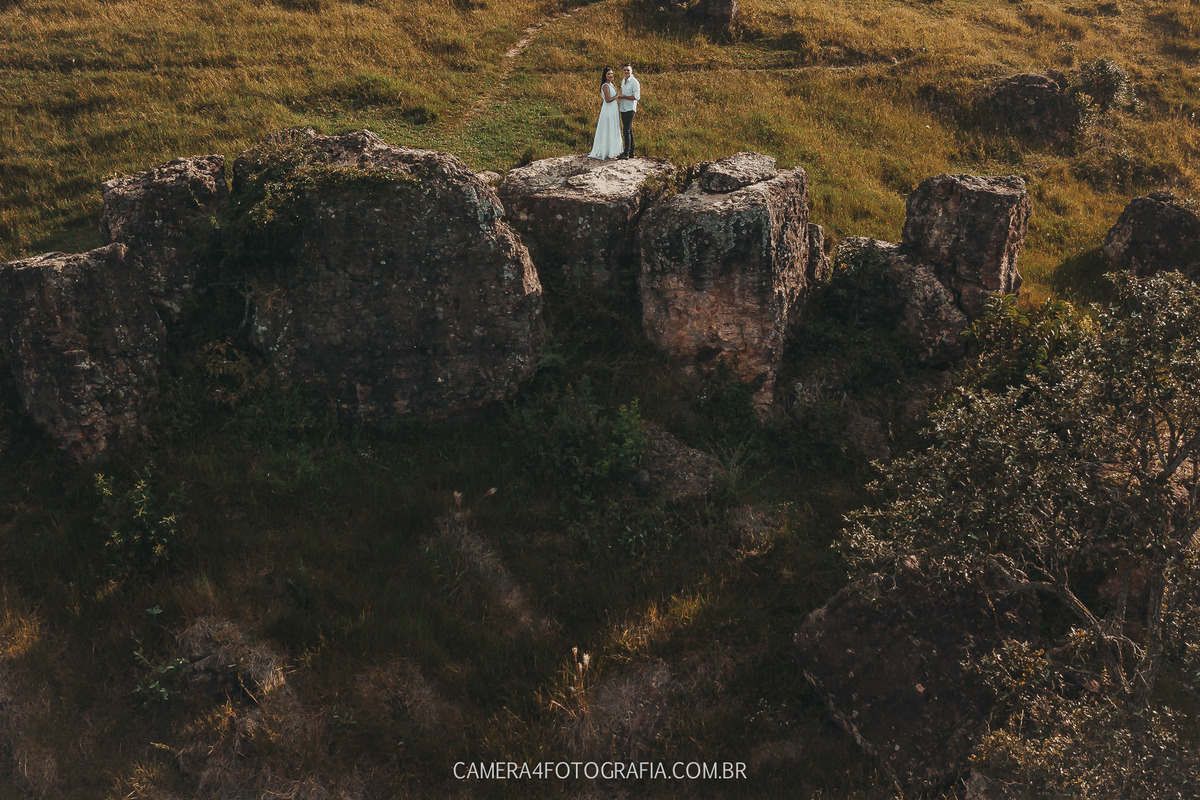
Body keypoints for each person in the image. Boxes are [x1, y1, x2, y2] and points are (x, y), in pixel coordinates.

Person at [588, 67, 623, 160]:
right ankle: (608, 151)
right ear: (605, 75)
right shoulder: (605, 86)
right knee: (609, 128)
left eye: (611, 74)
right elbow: (607, 100)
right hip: (608, 109)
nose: (610, 75)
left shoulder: (611, 84)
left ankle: (612, 150)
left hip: (613, 109)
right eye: (608, 74)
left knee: (612, 127)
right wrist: (616, 96)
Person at [617, 64, 641, 159]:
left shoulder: (634, 82)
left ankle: (626, 153)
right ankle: (631, 152)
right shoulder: (624, 81)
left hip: (630, 108)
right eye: (624, 70)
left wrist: (624, 97)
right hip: (623, 108)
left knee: (626, 130)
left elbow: (636, 97)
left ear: (631, 71)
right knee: (629, 130)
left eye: (628, 70)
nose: (626, 72)